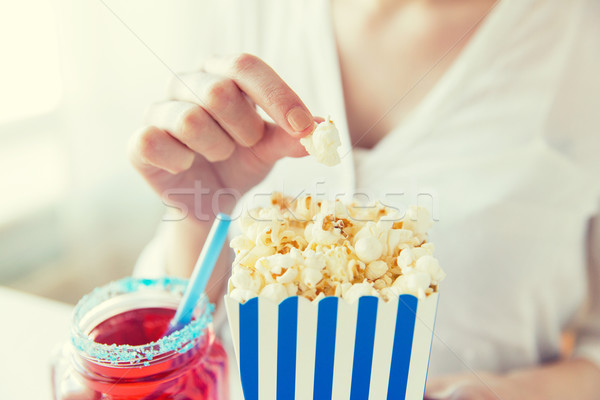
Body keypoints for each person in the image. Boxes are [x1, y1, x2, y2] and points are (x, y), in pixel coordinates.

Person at [128, 0, 600, 398]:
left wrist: (501, 394)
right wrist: (201, 219)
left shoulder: (581, 43)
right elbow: (173, 333)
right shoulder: (246, 15)